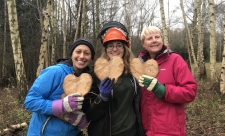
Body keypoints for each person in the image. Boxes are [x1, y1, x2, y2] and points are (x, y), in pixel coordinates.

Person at [81, 21, 145, 136]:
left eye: (119, 45)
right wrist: (102, 98)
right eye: (110, 46)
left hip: (131, 131)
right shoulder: (95, 75)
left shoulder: (133, 71)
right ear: (105, 49)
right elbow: (90, 114)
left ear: (125, 48)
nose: (114, 49)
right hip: (105, 132)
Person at [24, 38, 95, 136]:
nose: (82, 56)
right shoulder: (56, 71)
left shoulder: (88, 81)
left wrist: (82, 119)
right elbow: (30, 101)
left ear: (91, 58)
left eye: (87, 53)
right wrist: (60, 106)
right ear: (71, 54)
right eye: (78, 52)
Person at [138, 26, 197, 136]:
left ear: (162, 40)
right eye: (149, 38)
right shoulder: (140, 65)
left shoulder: (175, 60)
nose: (154, 40)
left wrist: (163, 90)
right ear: (143, 44)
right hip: (146, 129)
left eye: (157, 37)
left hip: (170, 130)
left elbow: (190, 92)